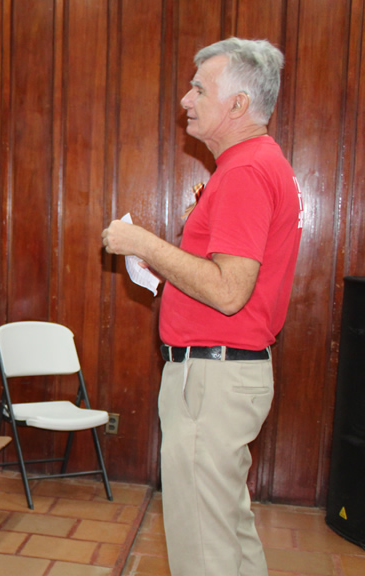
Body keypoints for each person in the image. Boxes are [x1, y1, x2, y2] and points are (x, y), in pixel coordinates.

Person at [102, 38, 302, 576]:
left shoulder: (243, 171)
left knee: (203, 553)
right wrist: (166, 270)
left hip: (211, 378)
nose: (186, 99)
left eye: (198, 87)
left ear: (238, 105)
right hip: (225, 373)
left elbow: (229, 291)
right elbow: (227, 282)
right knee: (228, 538)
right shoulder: (261, 163)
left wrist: (143, 244)